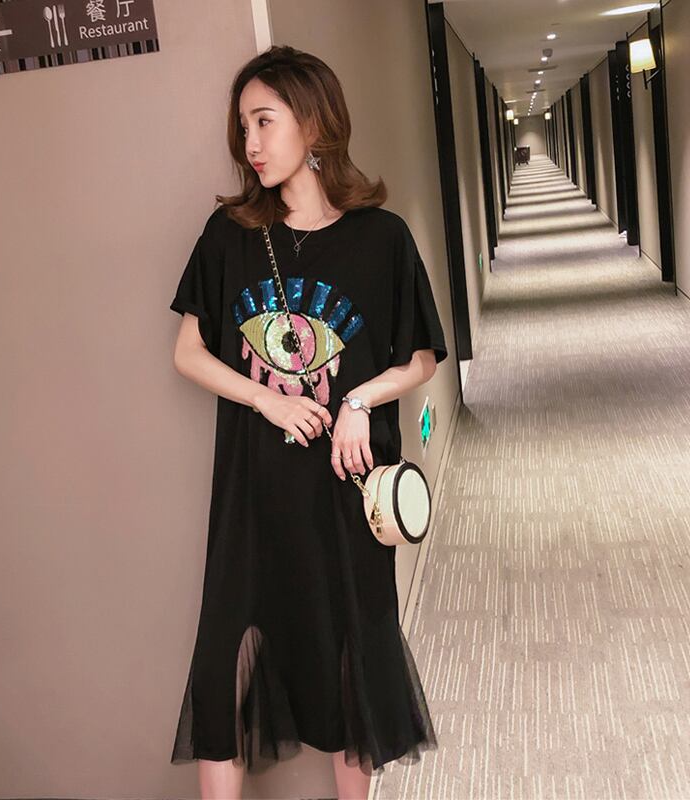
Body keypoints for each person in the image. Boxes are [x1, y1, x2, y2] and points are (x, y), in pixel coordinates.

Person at [169, 44, 448, 800]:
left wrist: (358, 401)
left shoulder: (381, 238)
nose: (250, 144)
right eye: (243, 127)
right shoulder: (229, 234)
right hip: (253, 496)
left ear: (313, 122)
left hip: (342, 493)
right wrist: (267, 399)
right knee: (222, 666)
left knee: (349, 660)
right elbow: (187, 353)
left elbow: (421, 358)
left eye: (264, 121)